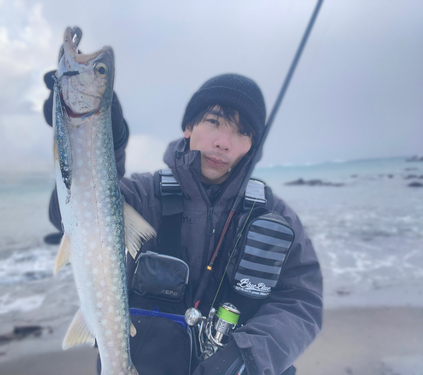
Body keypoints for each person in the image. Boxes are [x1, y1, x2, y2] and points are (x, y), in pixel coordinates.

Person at [43, 71, 323, 375]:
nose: (223, 142)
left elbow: (302, 299)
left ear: (252, 146)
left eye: (242, 133)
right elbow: (71, 214)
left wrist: (249, 358)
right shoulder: (143, 195)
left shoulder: (275, 217)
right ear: (189, 127)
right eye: (214, 122)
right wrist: (104, 145)